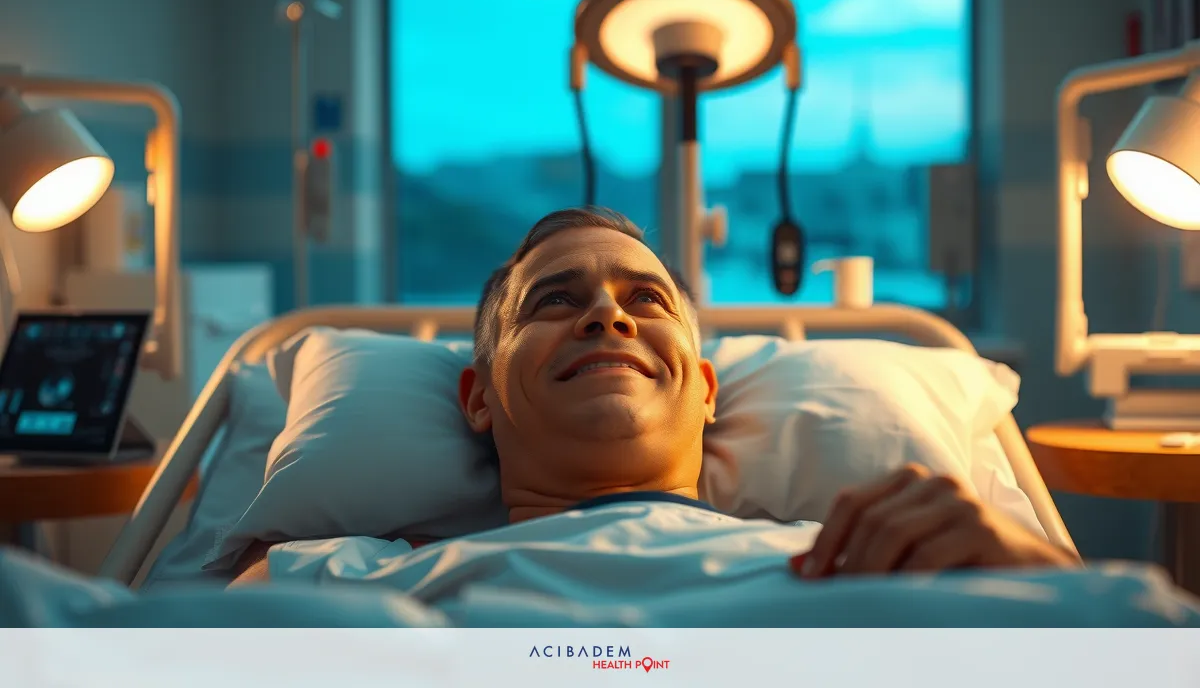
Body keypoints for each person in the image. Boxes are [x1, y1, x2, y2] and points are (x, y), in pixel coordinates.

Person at [231, 207, 1077, 586]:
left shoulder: (871, 553)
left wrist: (1028, 561)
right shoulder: (352, 578)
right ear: (479, 399)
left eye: (646, 300)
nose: (607, 314)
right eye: (556, 301)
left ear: (706, 389)